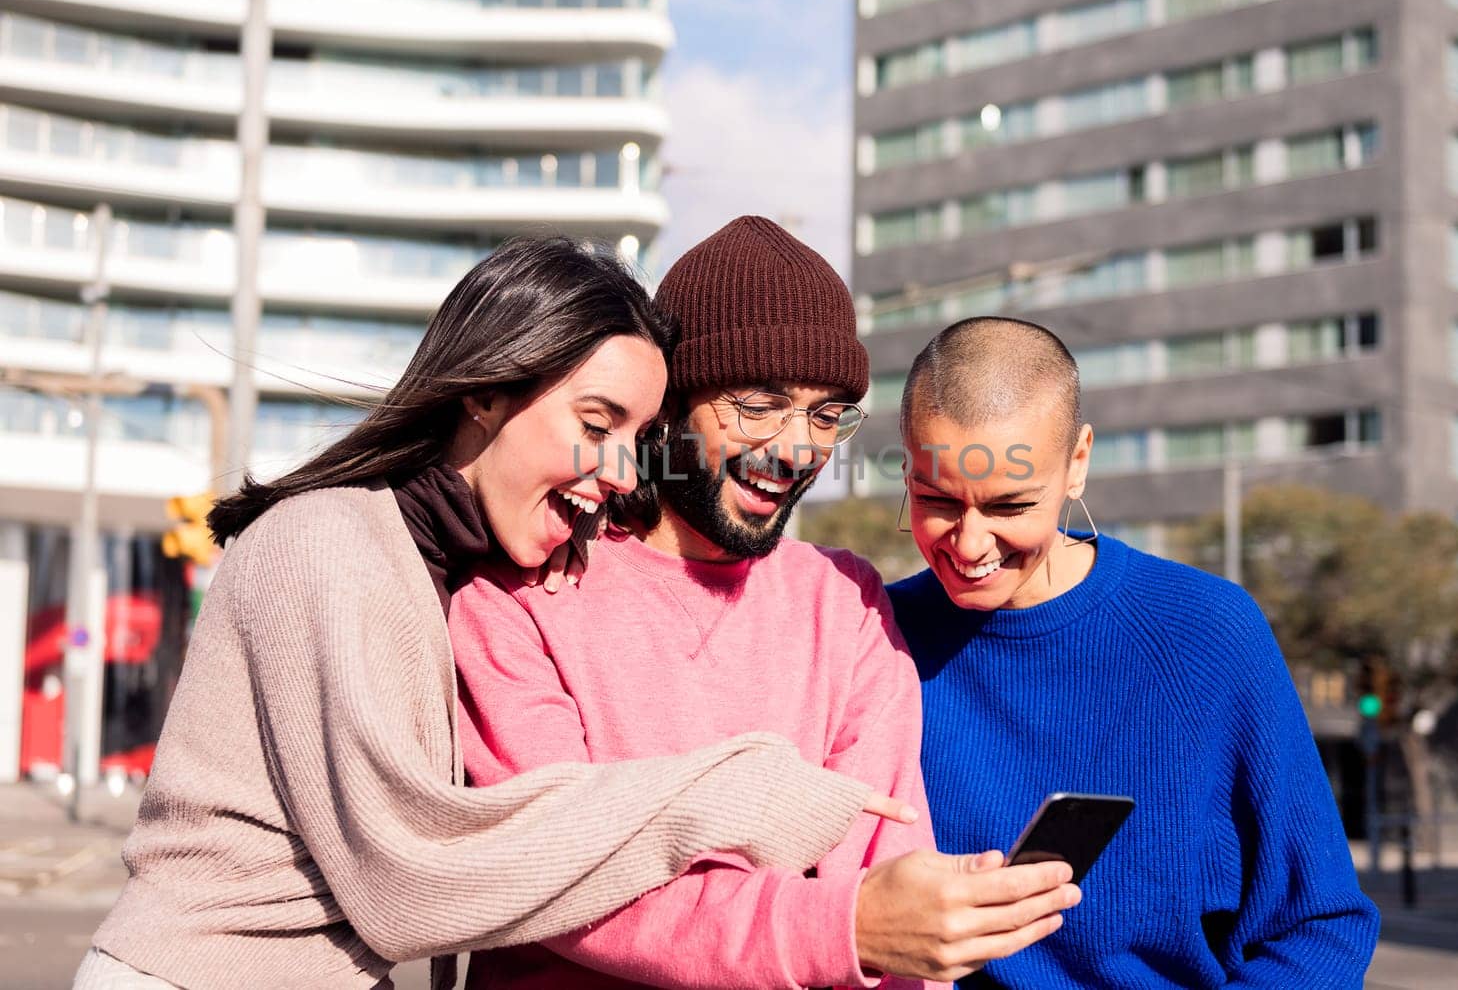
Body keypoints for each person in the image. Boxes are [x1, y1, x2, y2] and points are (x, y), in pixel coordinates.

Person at [75, 236, 917, 990]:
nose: (623, 470)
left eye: (637, 436)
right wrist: (726, 792)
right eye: (597, 423)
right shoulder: (328, 545)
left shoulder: (442, 561)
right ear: (483, 394)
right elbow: (408, 883)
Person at [449, 218, 1081, 990]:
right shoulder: (522, 591)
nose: (795, 448)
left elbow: (885, 871)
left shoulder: (844, 603)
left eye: (825, 415)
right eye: (758, 403)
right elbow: (561, 879)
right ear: (670, 403)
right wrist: (844, 926)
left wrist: (899, 926)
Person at [886, 317, 1381, 988]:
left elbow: (1317, 924)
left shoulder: (1207, 633)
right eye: (936, 499)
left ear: (1078, 462)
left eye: (1009, 506)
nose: (970, 544)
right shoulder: (871, 639)